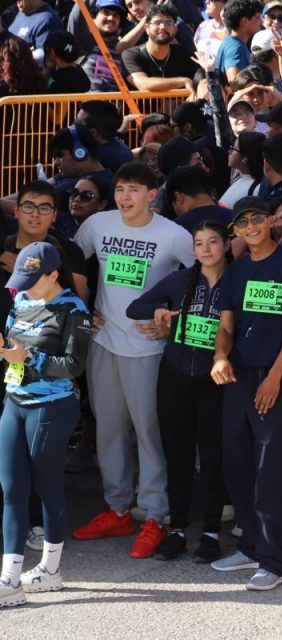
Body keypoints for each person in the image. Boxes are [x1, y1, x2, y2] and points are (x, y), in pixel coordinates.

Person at [71, 161, 195, 559]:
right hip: (104, 343)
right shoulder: (97, 225)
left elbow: (208, 277)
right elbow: (69, 264)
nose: (125, 197)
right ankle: (118, 509)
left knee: (149, 433)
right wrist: (80, 310)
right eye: (121, 189)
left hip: (148, 350)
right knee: (108, 430)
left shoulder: (173, 235)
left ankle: (156, 515)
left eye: (134, 190)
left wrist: (175, 323)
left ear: (152, 195)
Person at [209, 196, 282, 592]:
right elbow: (226, 326)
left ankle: (273, 560)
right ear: (234, 231)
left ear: (269, 221)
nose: (250, 226)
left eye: (256, 218)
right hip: (238, 377)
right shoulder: (235, 271)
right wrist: (220, 356)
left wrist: (276, 376)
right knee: (237, 464)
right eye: (242, 222)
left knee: (271, 469)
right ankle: (250, 546)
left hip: (275, 376)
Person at [124, 221, 232, 563]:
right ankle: (179, 529)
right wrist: (157, 311)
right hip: (175, 374)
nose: (206, 249)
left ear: (227, 245)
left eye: (213, 241)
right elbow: (134, 308)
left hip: (216, 378)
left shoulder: (238, 279)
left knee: (214, 457)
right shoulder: (180, 279)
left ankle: (211, 532)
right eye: (199, 243)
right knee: (178, 455)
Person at [0, 242, 90, 606]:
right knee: (11, 488)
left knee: (47, 486)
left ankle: (50, 570)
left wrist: (28, 358)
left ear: (53, 274)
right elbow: (12, 344)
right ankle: (10, 578)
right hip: (14, 400)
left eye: (32, 280)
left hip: (51, 407)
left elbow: (74, 365)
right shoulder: (21, 300)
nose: (24, 288)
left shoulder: (73, 308)